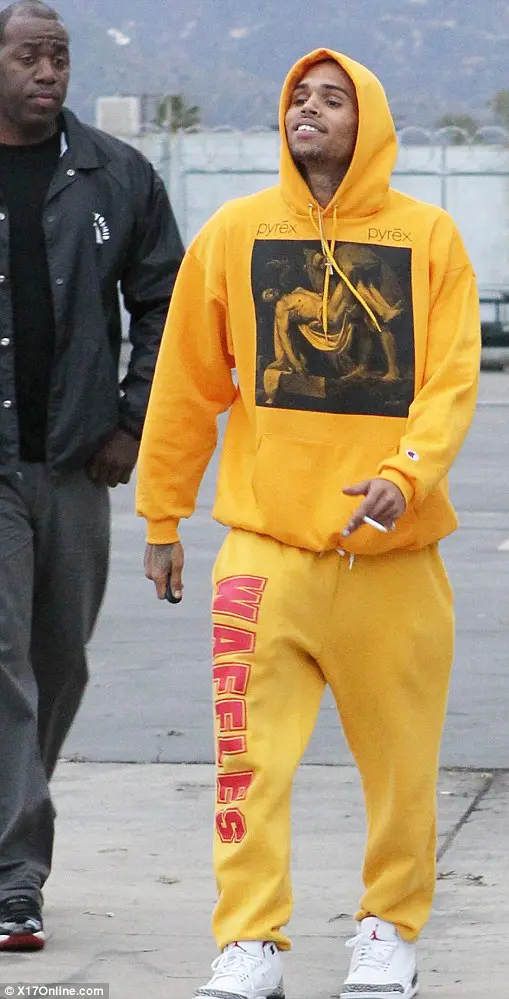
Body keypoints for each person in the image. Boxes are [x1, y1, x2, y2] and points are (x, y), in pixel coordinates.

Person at [138, 48, 480, 999]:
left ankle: (388, 929)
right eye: (298, 97)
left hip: (394, 561)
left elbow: (451, 380)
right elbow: (186, 385)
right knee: (247, 764)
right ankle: (249, 941)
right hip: (265, 552)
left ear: (368, 123)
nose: (309, 109)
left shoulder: (429, 238)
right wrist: (163, 513)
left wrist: (406, 474)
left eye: (332, 99)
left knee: (403, 770)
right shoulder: (236, 233)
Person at [0, 0, 183, 952]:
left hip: (76, 456)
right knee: (3, 661)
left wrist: (131, 417)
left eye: (60, 57)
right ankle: (15, 877)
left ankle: (7, 828)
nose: (49, 72)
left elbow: (167, 301)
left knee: (59, 659)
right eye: (30, 56)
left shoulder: (116, 172)